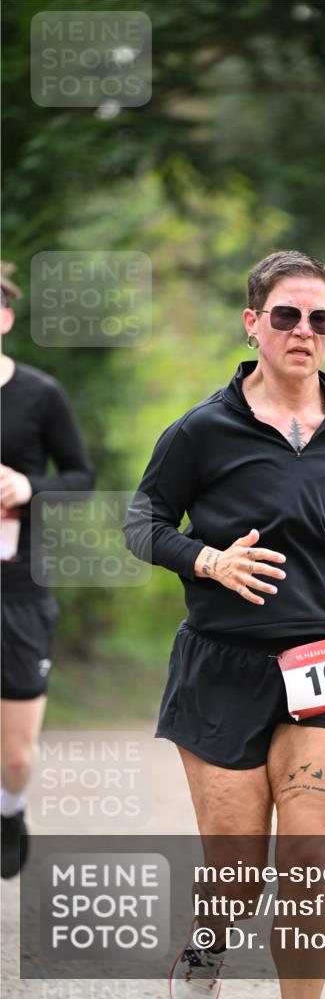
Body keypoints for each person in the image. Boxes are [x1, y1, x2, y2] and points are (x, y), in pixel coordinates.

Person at [124, 250, 325, 996]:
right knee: (238, 877)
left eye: (320, 318)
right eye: (286, 316)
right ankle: (203, 953)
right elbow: (142, 520)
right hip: (221, 664)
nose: (304, 330)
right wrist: (206, 561)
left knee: (308, 864)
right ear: (253, 324)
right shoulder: (202, 431)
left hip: (324, 659)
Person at [0, 260, 95, 878]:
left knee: (13, 755)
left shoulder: (39, 394)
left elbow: (82, 479)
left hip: (18, 591)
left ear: (4, 320)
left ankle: (10, 808)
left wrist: (28, 488)